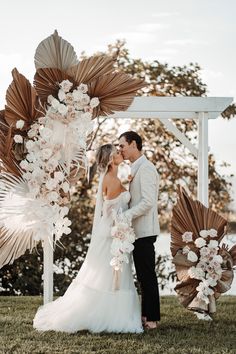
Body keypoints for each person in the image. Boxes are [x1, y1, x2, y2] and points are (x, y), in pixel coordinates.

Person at [33, 144, 143, 333]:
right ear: (110, 160)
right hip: (113, 233)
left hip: (109, 230)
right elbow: (115, 208)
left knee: (105, 274)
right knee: (110, 274)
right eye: (116, 153)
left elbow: (112, 205)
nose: (119, 153)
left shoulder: (112, 178)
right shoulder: (112, 179)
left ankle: (107, 312)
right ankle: (112, 316)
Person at [119, 131, 160, 330]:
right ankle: (145, 315)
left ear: (133, 144)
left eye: (122, 146)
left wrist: (126, 215)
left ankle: (151, 319)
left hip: (144, 230)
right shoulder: (135, 168)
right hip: (135, 231)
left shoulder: (146, 168)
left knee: (147, 275)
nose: (120, 150)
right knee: (142, 276)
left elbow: (148, 202)